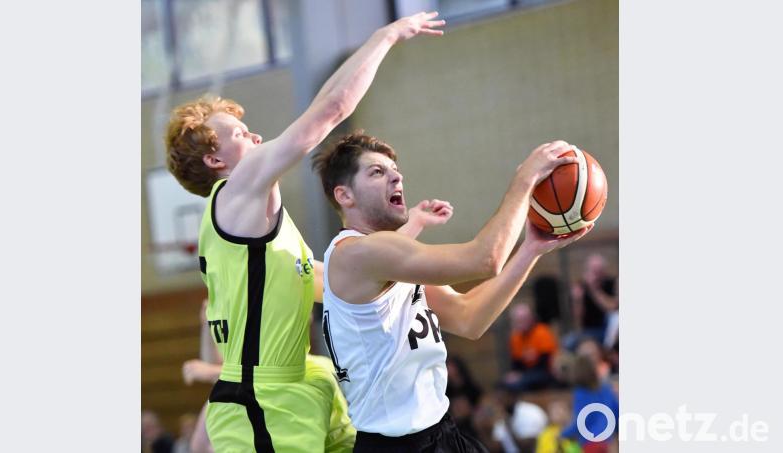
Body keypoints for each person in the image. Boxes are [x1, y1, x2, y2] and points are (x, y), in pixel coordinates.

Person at [164, 11, 447, 452]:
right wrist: (385, 35)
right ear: (215, 162)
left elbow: (327, 282)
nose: (255, 135)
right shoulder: (233, 190)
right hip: (264, 397)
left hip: (295, 382)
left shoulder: (261, 234)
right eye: (238, 133)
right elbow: (329, 111)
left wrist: (415, 251)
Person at [313, 133, 592, 452]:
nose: (396, 175)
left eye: (395, 169)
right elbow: (485, 259)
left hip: (441, 434)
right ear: (344, 196)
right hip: (396, 446)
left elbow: (468, 318)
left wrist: (530, 250)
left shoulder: (389, 264)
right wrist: (526, 178)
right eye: (377, 171)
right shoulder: (357, 253)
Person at [503, 303, 559, 392]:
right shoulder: (515, 338)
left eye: (524, 319)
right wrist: (514, 374)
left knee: (520, 383)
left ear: (531, 318)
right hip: (526, 373)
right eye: (519, 320)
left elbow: (546, 363)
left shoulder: (542, 332)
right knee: (504, 384)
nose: (522, 323)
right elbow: (516, 363)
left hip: (545, 372)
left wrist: (522, 375)